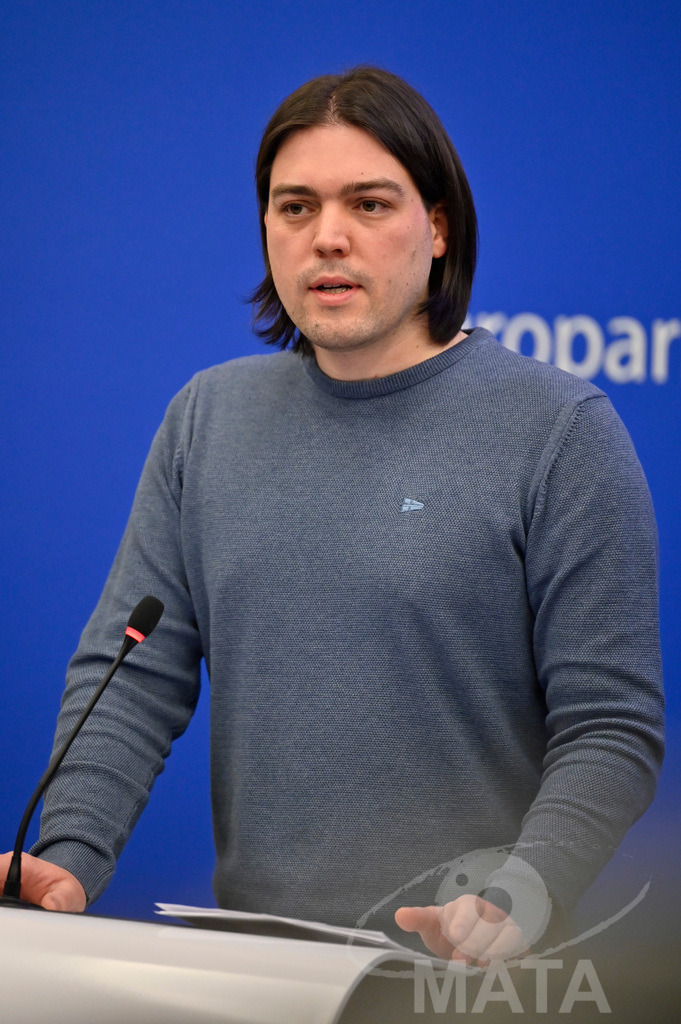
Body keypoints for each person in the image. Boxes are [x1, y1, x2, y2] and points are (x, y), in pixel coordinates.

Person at [1, 66, 664, 965]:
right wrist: (66, 858)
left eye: (369, 204)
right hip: (259, 962)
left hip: (474, 977)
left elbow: (609, 722)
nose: (329, 239)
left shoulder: (556, 428)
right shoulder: (207, 418)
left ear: (437, 226)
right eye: (296, 208)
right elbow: (134, 678)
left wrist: (520, 892)